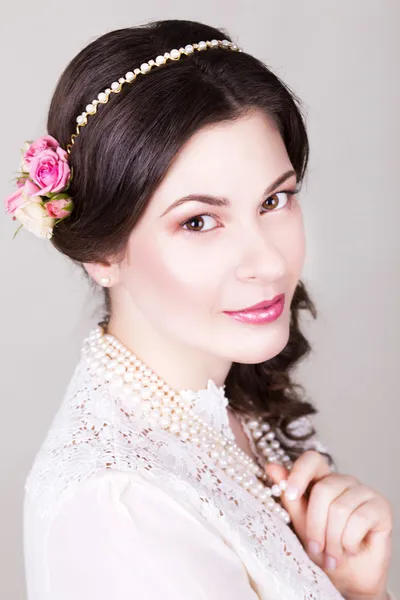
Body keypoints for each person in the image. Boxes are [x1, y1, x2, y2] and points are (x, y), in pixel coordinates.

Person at [6, 18, 394, 600]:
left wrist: (355, 588)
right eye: (198, 221)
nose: (265, 261)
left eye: (274, 200)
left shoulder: (233, 404)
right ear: (102, 253)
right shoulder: (119, 509)